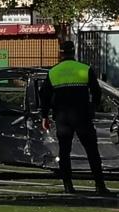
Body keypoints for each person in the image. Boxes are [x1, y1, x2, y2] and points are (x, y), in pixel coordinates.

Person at [40, 40, 109, 195]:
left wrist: (45, 115)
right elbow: (97, 92)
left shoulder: (53, 72)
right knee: (92, 151)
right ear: (74, 52)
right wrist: (93, 108)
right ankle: (99, 185)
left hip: (62, 117)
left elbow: (44, 96)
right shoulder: (85, 69)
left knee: (64, 152)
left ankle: (68, 186)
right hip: (82, 115)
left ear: (60, 53)